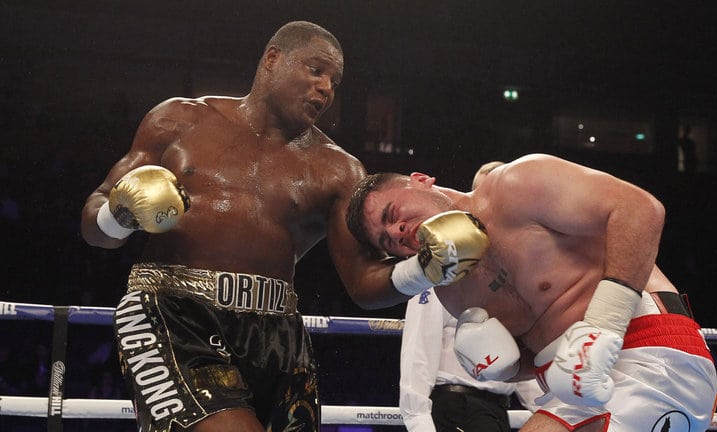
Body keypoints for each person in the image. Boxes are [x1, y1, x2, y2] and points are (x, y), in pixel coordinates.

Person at [81, 21, 469, 432]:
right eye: (316, 70)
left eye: (334, 81)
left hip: (277, 331)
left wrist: (424, 269)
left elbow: (362, 282)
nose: (326, 88)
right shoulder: (178, 120)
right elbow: (95, 220)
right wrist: (119, 215)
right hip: (173, 314)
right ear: (272, 59)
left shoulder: (338, 170)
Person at [346, 153, 717, 432]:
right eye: (386, 240)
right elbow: (533, 353)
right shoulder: (452, 292)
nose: (396, 231)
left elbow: (639, 209)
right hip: (577, 389)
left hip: (650, 351)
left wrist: (603, 327)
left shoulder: (516, 185)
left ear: (421, 180)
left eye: (392, 213)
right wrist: (508, 369)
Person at [399, 161, 540, 432]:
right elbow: (419, 347)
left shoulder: (519, 271)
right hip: (456, 407)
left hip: (497, 412)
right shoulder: (444, 261)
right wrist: (418, 421)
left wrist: (557, 408)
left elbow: (515, 358)